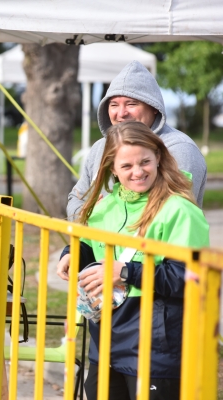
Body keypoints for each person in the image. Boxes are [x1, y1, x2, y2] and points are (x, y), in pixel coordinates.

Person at [56, 121, 210, 400]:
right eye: (126, 166)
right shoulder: (103, 208)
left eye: (145, 162)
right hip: (105, 344)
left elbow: (189, 279)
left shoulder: (180, 210)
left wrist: (126, 272)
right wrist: (72, 254)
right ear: (112, 168)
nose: (138, 172)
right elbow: (92, 250)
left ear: (158, 157)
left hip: (156, 349)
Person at [67, 60, 206, 219]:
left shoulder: (180, 149)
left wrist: (104, 217)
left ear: (154, 107)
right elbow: (76, 198)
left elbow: (173, 214)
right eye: (114, 105)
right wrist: (87, 216)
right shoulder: (100, 147)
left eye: (131, 104)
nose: (121, 113)